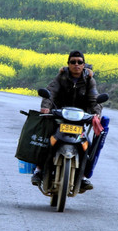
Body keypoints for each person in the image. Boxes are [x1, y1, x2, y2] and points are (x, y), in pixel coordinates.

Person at [31, 50, 102, 191]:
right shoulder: (61, 77)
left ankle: (82, 177)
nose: (76, 65)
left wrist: (96, 113)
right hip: (59, 116)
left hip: (80, 119)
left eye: (79, 62)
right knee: (46, 139)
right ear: (68, 64)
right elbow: (50, 92)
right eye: (73, 62)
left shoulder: (89, 81)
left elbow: (94, 98)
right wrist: (46, 107)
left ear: (84, 64)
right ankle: (38, 170)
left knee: (86, 144)